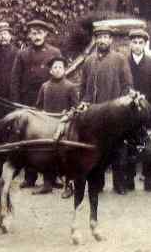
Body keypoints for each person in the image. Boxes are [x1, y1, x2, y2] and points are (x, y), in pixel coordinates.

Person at [80, 25, 133, 194]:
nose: (102, 40)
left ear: (111, 40)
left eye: (106, 37)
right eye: (99, 37)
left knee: (118, 148)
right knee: (96, 148)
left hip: (114, 112)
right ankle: (98, 183)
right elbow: (83, 88)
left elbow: (127, 85)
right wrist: (85, 104)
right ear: (96, 40)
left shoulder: (119, 59)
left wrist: (120, 106)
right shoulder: (89, 61)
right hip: (95, 113)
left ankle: (120, 184)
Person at [11, 19, 62, 189]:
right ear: (29, 35)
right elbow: (15, 79)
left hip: (49, 101)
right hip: (28, 101)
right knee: (29, 139)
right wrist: (17, 104)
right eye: (33, 33)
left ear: (46, 34)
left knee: (51, 138)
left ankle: (53, 176)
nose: (37, 36)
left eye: (40, 32)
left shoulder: (55, 52)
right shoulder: (22, 54)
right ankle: (30, 177)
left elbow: (61, 76)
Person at [127, 28, 151, 192]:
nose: (137, 46)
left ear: (145, 44)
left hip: (149, 112)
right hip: (128, 112)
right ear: (130, 43)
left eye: (140, 42)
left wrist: (150, 107)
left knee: (148, 144)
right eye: (134, 42)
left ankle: (150, 180)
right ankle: (128, 179)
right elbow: (122, 86)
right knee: (129, 144)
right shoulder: (124, 62)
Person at [35, 56, 79, 196]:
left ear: (64, 69)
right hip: (48, 125)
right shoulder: (45, 86)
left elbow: (76, 108)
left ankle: (68, 186)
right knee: (46, 154)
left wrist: (68, 115)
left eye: (60, 67)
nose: (58, 70)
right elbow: (38, 107)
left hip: (64, 126)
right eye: (55, 67)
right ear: (50, 71)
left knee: (64, 156)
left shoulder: (70, 86)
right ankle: (47, 183)